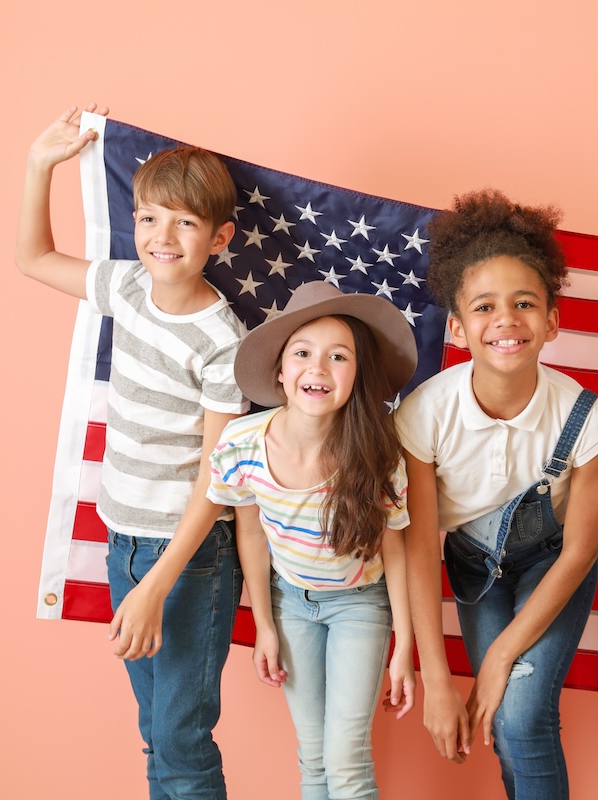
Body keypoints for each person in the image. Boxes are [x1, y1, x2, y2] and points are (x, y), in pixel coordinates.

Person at [15, 105, 249, 799]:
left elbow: (217, 478)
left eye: (183, 222)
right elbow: (32, 258)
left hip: (188, 558)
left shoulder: (222, 340)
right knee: (157, 727)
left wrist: (155, 587)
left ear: (219, 236)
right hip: (124, 540)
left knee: (181, 739)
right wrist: (39, 167)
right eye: (148, 218)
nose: (161, 236)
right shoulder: (126, 287)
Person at [396, 189, 598, 800]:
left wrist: (496, 658)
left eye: (525, 303)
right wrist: (438, 677)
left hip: (555, 566)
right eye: (484, 306)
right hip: (475, 568)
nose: (506, 320)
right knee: (503, 720)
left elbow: (579, 552)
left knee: (520, 714)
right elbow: (419, 543)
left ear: (551, 321)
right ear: (456, 325)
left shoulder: (588, 420)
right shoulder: (425, 415)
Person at [207, 281, 418, 800]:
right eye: (302, 353)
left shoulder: (377, 453)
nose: (318, 368)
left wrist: (404, 646)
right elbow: (251, 535)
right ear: (281, 371)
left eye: (338, 356)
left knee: (346, 762)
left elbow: (396, 548)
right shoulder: (242, 444)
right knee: (315, 759)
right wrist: (264, 626)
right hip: (291, 605)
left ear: (357, 375)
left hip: (360, 605)